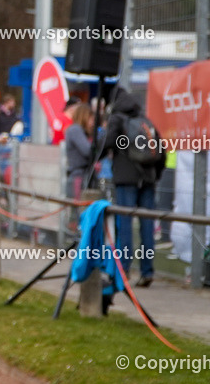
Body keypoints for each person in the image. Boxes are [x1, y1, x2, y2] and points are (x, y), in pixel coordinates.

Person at [103, 87, 166, 288]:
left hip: (125, 179)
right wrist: (155, 176)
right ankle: (147, 271)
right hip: (147, 179)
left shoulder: (117, 119)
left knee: (125, 225)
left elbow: (107, 143)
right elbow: (161, 151)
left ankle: (124, 270)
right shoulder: (145, 120)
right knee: (147, 226)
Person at [64, 103, 94, 200]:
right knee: (78, 210)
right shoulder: (75, 130)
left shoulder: (82, 131)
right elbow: (87, 150)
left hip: (84, 176)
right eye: (91, 119)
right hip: (78, 177)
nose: (93, 122)